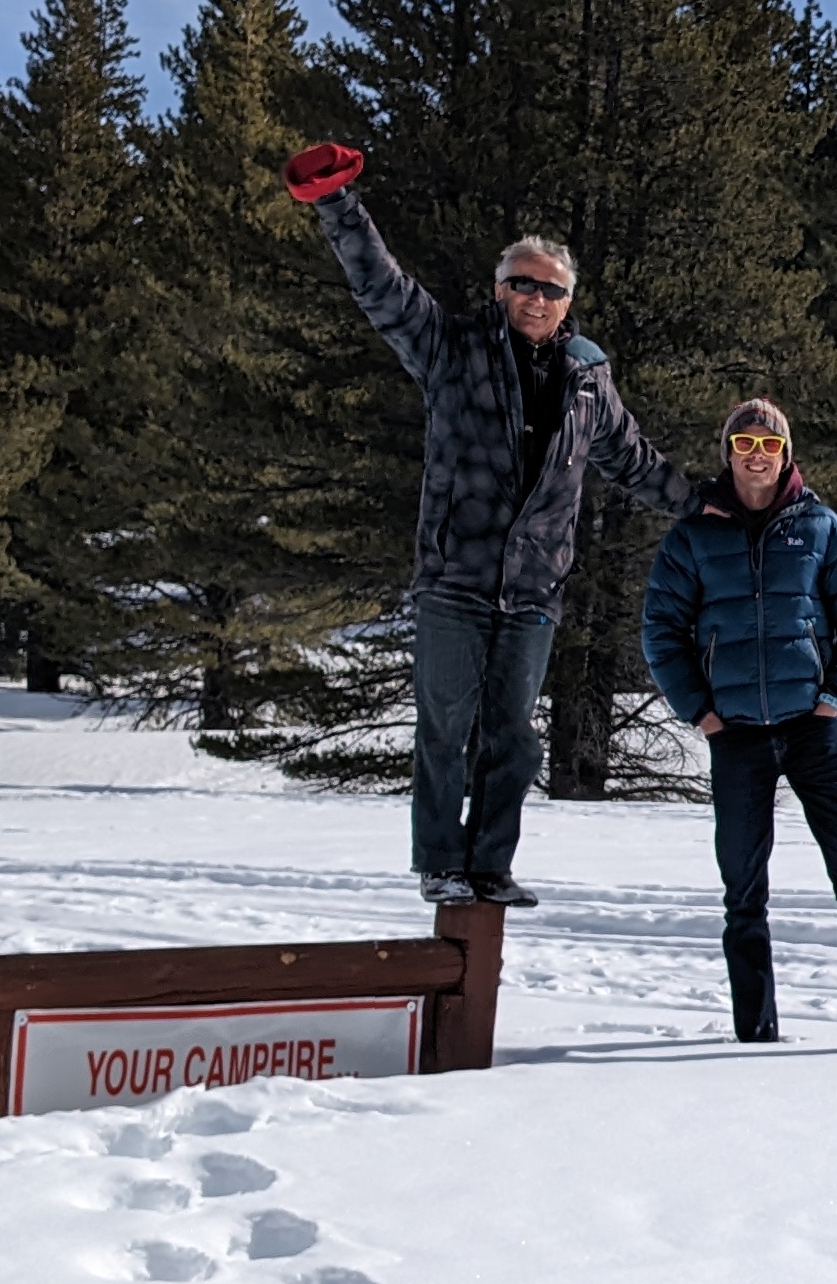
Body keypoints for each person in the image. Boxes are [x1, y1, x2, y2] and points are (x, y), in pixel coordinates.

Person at [286, 141, 697, 907]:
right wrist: (338, 203)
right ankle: (441, 863)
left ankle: (489, 867)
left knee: (513, 738)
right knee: (445, 729)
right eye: (523, 284)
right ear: (500, 289)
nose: (537, 298)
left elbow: (635, 462)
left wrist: (705, 504)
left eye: (552, 289)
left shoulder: (587, 381)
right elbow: (382, 288)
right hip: (456, 579)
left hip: (533, 589)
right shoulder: (453, 348)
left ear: (568, 302)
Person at [642, 399, 837, 1053]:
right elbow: (662, 630)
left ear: (786, 454)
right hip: (735, 736)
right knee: (743, 896)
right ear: (727, 452)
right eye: (744, 443)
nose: (756, 455)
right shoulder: (693, 535)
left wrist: (835, 696)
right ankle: (754, 1039)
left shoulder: (819, 527)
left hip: (812, 728)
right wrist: (701, 713)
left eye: (769, 444)